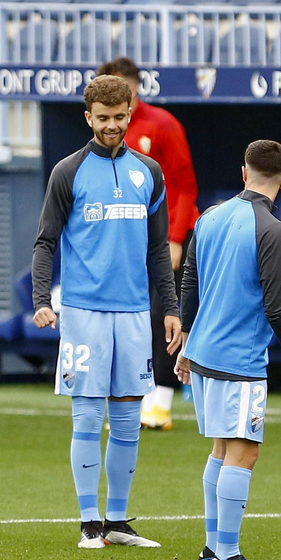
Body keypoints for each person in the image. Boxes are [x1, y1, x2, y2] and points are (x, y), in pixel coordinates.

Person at [31, 75, 181, 549]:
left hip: (135, 312)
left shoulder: (149, 172)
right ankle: (89, 523)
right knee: (88, 417)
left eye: (119, 117)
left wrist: (171, 306)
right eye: (103, 118)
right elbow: (45, 242)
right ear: (88, 118)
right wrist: (41, 301)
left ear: (130, 113)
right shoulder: (68, 172)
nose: (112, 125)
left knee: (128, 420)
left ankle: (117, 522)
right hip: (83, 313)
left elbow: (158, 249)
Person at [176, 139, 281, 560]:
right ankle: (228, 556)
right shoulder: (273, 230)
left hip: (204, 353)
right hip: (238, 359)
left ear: (244, 172)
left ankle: (212, 550)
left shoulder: (210, 216)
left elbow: (189, 280)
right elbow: (278, 307)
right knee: (244, 452)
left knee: (222, 449)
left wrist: (186, 342)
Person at [98, 57, 199, 432]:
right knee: (128, 317)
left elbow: (186, 185)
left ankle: (161, 402)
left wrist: (175, 238)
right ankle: (130, 400)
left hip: (167, 236)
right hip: (126, 237)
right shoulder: (108, 132)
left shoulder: (163, 124)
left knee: (163, 314)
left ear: (135, 88)